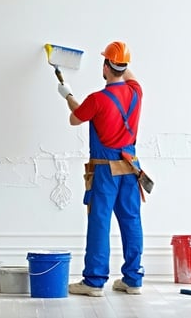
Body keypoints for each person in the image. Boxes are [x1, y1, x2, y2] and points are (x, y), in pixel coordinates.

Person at [56, 40, 145, 297]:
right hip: (130, 168)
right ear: (125, 66)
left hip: (105, 171)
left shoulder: (97, 99)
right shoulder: (136, 91)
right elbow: (126, 72)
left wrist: (67, 94)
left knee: (99, 222)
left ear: (105, 65)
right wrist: (118, 60)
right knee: (131, 221)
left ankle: (94, 283)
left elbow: (75, 118)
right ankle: (133, 279)